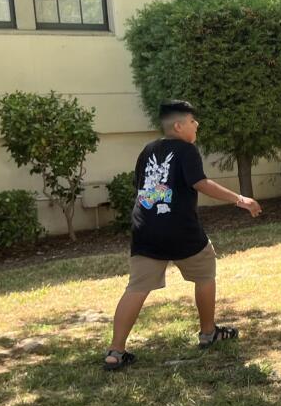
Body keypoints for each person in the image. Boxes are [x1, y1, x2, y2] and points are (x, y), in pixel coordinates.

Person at [103, 100, 261, 371]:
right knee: (205, 273)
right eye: (192, 121)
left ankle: (115, 352)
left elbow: (143, 188)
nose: (196, 124)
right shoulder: (186, 150)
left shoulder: (147, 150)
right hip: (181, 231)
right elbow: (200, 182)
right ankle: (208, 332)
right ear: (178, 126)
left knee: (136, 288)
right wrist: (239, 198)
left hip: (145, 230)